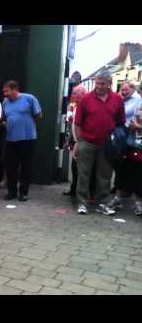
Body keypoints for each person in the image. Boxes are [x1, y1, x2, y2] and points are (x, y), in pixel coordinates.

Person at [74, 71, 125, 215]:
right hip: (88, 142)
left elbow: (120, 122)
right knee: (84, 173)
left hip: (107, 144)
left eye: (103, 84)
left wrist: (116, 139)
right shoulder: (86, 99)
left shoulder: (117, 99)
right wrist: (80, 142)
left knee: (105, 175)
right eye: (97, 83)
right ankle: (82, 203)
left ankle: (102, 203)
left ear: (109, 84)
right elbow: (78, 123)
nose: (99, 86)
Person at [2, 80, 42, 202]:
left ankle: (23, 193)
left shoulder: (29, 98)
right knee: (10, 167)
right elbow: (4, 118)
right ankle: (11, 192)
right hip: (10, 139)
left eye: (7, 91)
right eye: (4, 92)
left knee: (25, 166)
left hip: (27, 138)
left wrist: (27, 125)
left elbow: (39, 115)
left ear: (15, 89)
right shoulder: (5, 102)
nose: (5, 94)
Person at [106, 81, 142, 210]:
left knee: (136, 173)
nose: (123, 92)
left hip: (135, 142)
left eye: (126, 89)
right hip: (128, 141)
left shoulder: (138, 101)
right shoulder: (124, 99)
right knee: (124, 169)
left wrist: (138, 126)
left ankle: (135, 202)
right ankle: (119, 197)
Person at [63, 85, 96, 199]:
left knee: (86, 169)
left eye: (74, 93)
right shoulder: (76, 106)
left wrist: (79, 142)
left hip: (84, 143)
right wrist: (69, 140)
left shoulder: (87, 106)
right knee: (75, 168)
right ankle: (74, 190)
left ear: (82, 93)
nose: (72, 96)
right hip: (77, 142)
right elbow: (74, 125)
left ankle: (89, 194)